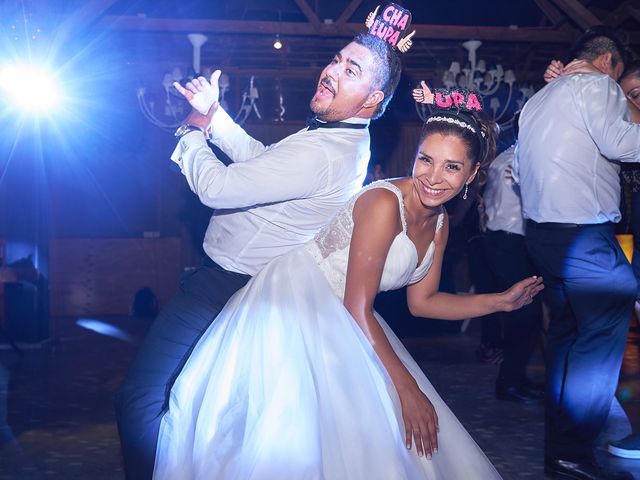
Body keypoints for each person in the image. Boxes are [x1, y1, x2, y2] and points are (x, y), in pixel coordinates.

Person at [152, 87, 543, 479]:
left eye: (452, 167)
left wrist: (500, 302)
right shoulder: (385, 203)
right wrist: (408, 389)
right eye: (426, 159)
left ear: (473, 173)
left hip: (349, 316)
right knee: (301, 441)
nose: (433, 177)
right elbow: (358, 305)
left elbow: (422, 302)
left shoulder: (439, 224)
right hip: (300, 305)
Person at [114, 32, 402, 480]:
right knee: (194, 406)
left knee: (142, 398)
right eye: (337, 60)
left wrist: (192, 129)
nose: (331, 72)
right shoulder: (337, 142)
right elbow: (262, 162)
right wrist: (215, 115)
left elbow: (219, 188)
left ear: (373, 97)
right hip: (243, 285)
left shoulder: (327, 153)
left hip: (222, 286)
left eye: (352, 71)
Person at [516, 26, 640, 480]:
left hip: (543, 236)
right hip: (584, 235)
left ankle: (561, 445)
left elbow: (515, 168)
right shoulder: (598, 84)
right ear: (609, 62)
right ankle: (573, 446)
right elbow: (621, 143)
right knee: (607, 320)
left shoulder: (536, 102)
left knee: (568, 338)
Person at [482, 114, 544, 404]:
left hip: (501, 240)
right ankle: (508, 383)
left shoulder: (505, 157)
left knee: (524, 314)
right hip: (510, 241)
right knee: (524, 313)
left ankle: (515, 378)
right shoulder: (522, 160)